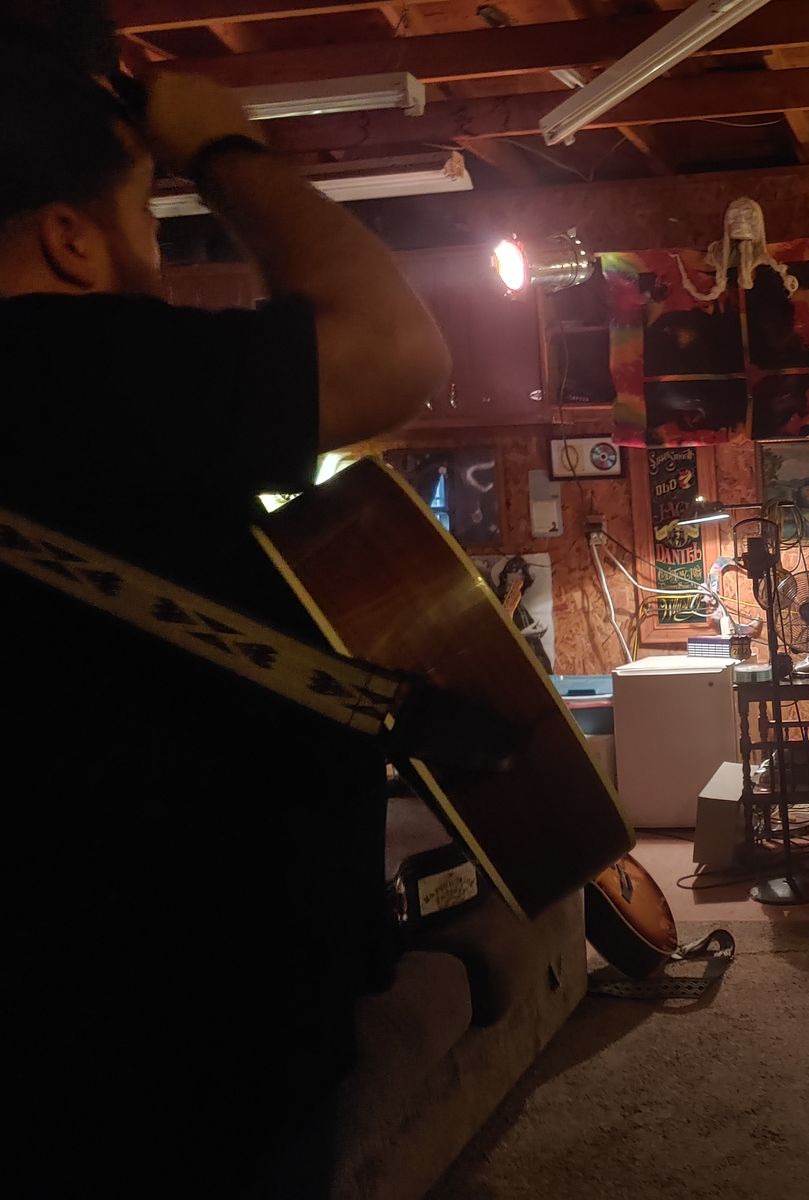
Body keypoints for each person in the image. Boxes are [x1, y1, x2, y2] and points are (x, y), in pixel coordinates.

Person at [0, 37, 449, 1198]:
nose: (157, 249)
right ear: (69, 239)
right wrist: (221, 149)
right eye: (146, 215)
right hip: (172, 1039)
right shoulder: (69, 362)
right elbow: (396, 349)